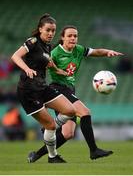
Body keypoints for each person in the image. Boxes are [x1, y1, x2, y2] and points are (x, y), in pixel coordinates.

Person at [28, 25, 124, 163]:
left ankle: (36, 155)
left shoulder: (78, 49)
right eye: (70, 36)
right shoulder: (55, 53)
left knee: (68, 133)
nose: (73, 38)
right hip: (58, 89)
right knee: (85, 112)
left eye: (75, 36)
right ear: (62, 38)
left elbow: (95, 52)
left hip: (69, 89)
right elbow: (41, 64)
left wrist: (107, 52)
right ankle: (94, 150)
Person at [11, 15, 78, 163]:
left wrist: (58, 70)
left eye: (53, 31)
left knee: (71, 111)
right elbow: (15, 56)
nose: (50, 33)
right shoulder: (33, 42)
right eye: (48, 30)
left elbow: (48, 61)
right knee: (51, 126)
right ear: (40, 29)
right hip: (28, 91)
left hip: (42, 87)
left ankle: (49, 127)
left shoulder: (47, 46)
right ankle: (52, 157)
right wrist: (27, 68)